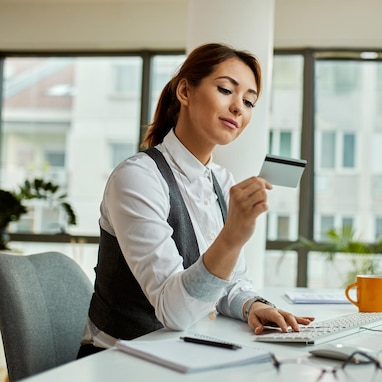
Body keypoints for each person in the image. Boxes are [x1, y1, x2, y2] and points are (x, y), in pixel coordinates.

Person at [77, 43, 314, 358]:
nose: (239, 108)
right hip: (119, 360)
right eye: (226, 90)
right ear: (185, 91)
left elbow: (226, 283)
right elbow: (173, 312)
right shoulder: (137, 178)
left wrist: (251, 305)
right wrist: (232, 237)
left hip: (183, 354)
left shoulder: (222, 182)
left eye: (248, 101)